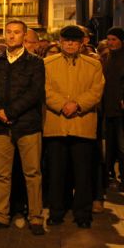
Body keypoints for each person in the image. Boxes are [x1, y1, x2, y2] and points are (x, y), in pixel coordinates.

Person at [0, 20, 46, 236]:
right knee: (0, 173)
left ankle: (36, 217)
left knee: (32, 173)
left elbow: (35, 92)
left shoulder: (35, 62)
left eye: (16, 33)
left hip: (27, 125)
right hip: (0, 127)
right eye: (8, 32)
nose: (11, 36)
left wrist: (11, 112)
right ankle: (0, 215)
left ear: (24, 35)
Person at [43, 25, 104, 229]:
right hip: (56, 124)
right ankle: (56, 211)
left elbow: (96, 90)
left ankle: (82, 213)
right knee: (57, 172)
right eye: (66, 40)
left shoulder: (93, 65)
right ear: (60, 42)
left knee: (83, 173)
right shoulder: (47, 64)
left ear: (81, 43)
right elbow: (45, 89)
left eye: (74, 41)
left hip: (82, 125)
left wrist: (77, 104)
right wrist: (62, 105)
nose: (69, 44)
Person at [102, 27, 124, 190]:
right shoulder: (106, 57)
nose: (110, 42)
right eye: (108, 39)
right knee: (109, 145)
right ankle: (109, 175)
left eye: (114, 39)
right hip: (108, 108)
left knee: (122, 146)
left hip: (121, 109)